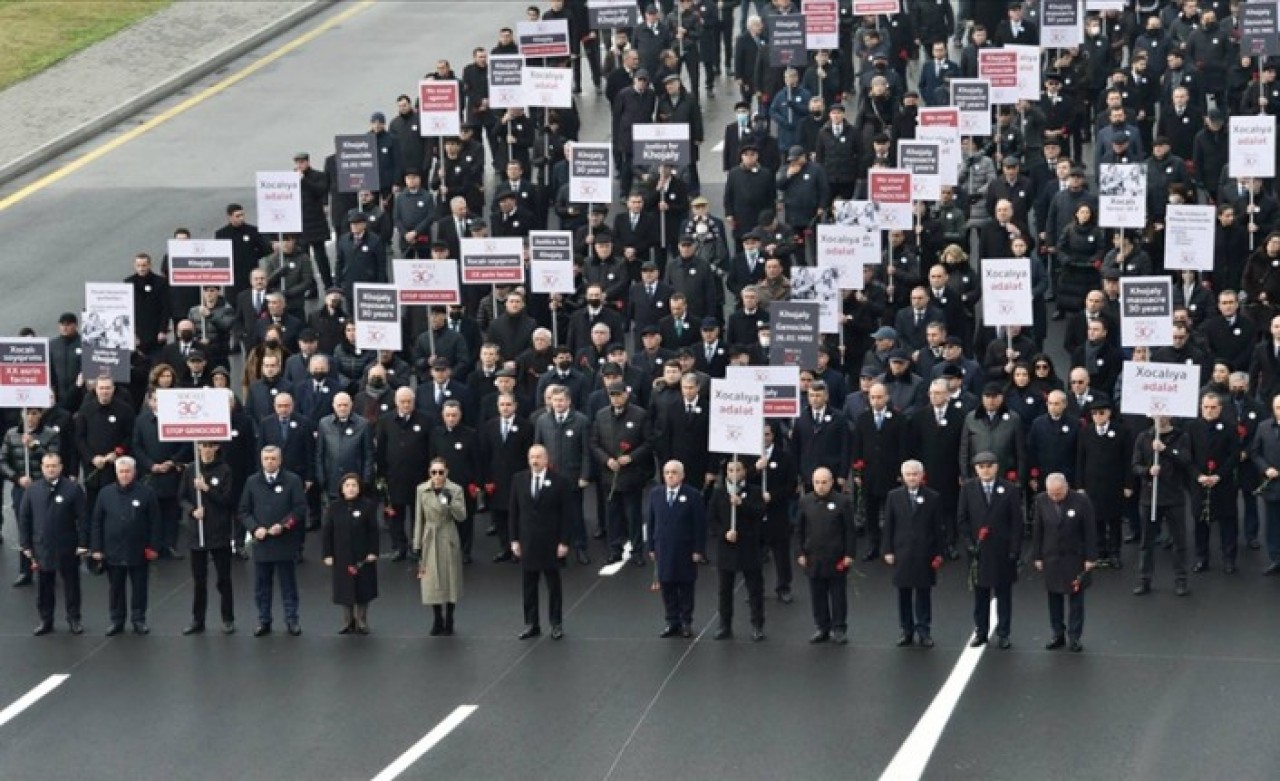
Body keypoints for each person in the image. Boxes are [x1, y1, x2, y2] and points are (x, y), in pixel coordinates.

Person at [956, 452, 1023, 649]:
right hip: (979, 553)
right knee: (980, 596)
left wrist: (1015, 549)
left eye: (989, 466)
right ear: (976, 469)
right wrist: (969, 544)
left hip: (1002, 551)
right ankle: (981, 632)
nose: (985, 470)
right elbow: (962, 520)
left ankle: (1003, 633)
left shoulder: (1010, 489)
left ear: (996, 467)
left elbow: (1016, 523)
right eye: (981, 466)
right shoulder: (968, 489)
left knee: (1004, 595)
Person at [89, 457, 162, 636]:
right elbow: (97, 522)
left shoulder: (146, 493)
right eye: (121, 472)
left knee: (139, 587)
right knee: (115, 588)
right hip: (112, 549)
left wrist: (154, 547)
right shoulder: (105, 493)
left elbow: (155, 522)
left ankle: (139, 619)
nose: (124, 475)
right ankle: (117, 620)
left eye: (127, 471)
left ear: (134, 472)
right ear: (116, 473)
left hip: (139, 549)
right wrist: (96, 548)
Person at [239, 445, 308, 636]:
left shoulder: (293, 480)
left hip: (285, 541)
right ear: (261, 460)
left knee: (288, 585)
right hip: (262, 543)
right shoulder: (252, 481)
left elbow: (300, 509)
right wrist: (255, 528)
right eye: (266, 459)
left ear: (280, 460)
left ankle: (292, 620)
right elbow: (244, 511)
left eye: (273, 459)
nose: (269, 462)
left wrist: (284, 525)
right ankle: (264, 620)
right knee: (262, 586)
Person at [18, 453, 88, 636]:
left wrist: (83, 543)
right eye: (47, 466)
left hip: (68, 545)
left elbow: (83, 518)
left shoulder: (73, 489)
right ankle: (45, 620)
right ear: (42, 467)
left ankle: (74, 618)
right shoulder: (32, 490)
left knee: (72, 585)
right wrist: (25, 544)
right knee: (44, 586)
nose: (51, 469)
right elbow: (24, 519)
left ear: (61, 467)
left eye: (54, 466)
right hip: (42, 546)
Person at [509, 445, 570, 640]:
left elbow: (566, 515)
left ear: (546, 459)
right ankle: (531, 624)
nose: (534, 461)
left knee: (553, 586)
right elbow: (514, 512)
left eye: (538, 457)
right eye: (532, 457)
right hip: (527, 541)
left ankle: (556, 624)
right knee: (528, 586)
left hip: (551, 542)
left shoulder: (560, 482)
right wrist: (514, 540)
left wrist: (564, 542)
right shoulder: (519, 480)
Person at [1031, 473, 1097, 652]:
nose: (1055, 497)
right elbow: (1038, 530)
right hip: (1051, 557)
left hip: (1074, 557)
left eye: (1058, 493)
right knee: (1054, 598)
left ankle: (1074, 637)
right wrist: (1037, 556)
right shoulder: (1041, 500)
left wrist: (1091, 557)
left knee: (1076, 599)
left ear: (1066, 487)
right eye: (1051, 493)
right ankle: (1057, 634)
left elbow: (1090, 530)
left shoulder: (1081, 501)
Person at [883, 460, 944, 648]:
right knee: (904, 593)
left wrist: (939, 552)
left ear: (922, 475)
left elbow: (938, 527)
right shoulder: (893, 496)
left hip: (924, 553)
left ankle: (924, 630)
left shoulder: (933, 497)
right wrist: (887, 550)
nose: (912, 478)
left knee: (923, 593)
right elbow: (888, 525)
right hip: (902, 552)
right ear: (902, 476)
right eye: (908, 474)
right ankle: (906, 630)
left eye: (915, 474)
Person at [178, 441, 236, 635]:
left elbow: (227, 500)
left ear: (216, 448)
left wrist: (206, 488)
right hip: (198, 532)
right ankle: (198, 619)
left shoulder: (225, 470)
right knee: (199, 580)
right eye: (203, 445)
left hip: (219, 531)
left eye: (210, 446)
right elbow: (182, 497)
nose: (206, 449)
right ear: (198, 447)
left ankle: (228, 618)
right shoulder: (191, 470)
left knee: (224, 579)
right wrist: (192, 511)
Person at [1132, 415, 1191, 597]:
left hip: (1174, 497)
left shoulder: (1181, 437)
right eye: (1156, 414)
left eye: (1164, 414)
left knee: (1179, 541)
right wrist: (1147, 471)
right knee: (1146, 542)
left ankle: (1181, 580)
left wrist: (1165, 450)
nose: (1160, 418)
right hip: (1149, 498)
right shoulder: (1143, 437)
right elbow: (1135, 465)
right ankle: (1144, 580)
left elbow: (1185, 460)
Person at [647, 459, 707, 639]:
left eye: (674, 472)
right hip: (663, 548)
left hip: (685, 549)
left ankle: (686, 621)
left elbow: (700, 525)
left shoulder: (693, 495)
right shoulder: (656, 494)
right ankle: (672, 621)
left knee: (686, 586)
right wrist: (651, 546)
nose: (670, 476)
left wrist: (698, 549)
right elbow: (651, 521)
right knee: (667, 586)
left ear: (682, 475)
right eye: (667, 472)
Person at [796, 466, 856, 644]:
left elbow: (850, 531)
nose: (820, 486)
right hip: (813, 557)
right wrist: (799, 552)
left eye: (824, 482)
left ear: (831, 482)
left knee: (838, 595)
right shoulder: (805, 502)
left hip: (836, 557)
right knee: (817, 595)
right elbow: (799, 530)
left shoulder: (843, 502)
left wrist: (849, 554)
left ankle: (839, 628)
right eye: (817, 482)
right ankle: (822, 627)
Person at [708, 459, 766, 641]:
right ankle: (724, 625)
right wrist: (724, 533)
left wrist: (742, 504)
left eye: (737, 469)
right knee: (724, 590)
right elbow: (711, 519)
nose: (734, 473)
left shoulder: (754, 491)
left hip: (749, 546)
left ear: (744, 471)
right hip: (727, 548)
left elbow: (760, 512)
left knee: (755, 590)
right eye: (730, 470)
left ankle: (757, 625)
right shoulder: (719, 493)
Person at [322, 474, 380, 635]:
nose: (351, 488)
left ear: (359, 488)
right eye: (347, 485)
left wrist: (373, 551)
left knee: (364, 588)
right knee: (344, 588)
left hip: (363, 555)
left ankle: (362, 620)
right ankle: (348, 621)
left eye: (354, 485)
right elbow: (327, 532)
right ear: (342, 489)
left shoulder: (367, 506)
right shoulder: (334, 507)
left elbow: (373, 531)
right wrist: (327, 554)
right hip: (341, 555)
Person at [414, 457, 466, 636]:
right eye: (433, 472)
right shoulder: (422, 489)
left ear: (447, 472)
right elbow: (419, 518)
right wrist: (417, 543)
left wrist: (450, 503)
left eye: (440, 472)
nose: (437, 476)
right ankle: (437, 618)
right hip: (430, 535)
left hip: (447, 534)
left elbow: (462, 516)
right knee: (431, 579)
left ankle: (450, 617)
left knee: (451, 578)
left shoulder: (455, 489)